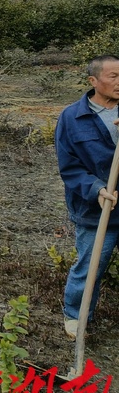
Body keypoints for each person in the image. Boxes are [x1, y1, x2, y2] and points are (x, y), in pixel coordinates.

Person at [56, 55, 119, 339]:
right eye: (114, 76)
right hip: (96, 207)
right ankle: (76, 315)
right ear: (93, 81)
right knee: (90, 265)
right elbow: (69, 166)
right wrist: (97, 189)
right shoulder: (72, 117)